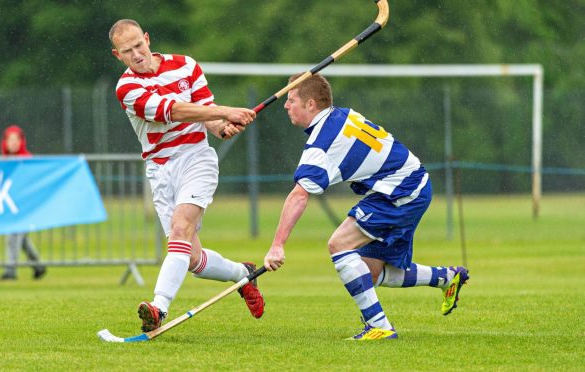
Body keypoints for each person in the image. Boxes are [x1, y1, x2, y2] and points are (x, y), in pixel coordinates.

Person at [263, 74, 469, 340]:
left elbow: (299, 196)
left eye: (291, 99)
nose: (285, 105)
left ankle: (379, 327)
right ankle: (446, 278)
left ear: (311, 104)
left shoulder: (322, 143)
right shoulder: (341, 114)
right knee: (369, 271)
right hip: (411, 184)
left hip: (401, 191)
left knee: (339, 244)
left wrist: (277, 245)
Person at [109, 19, 264, 332]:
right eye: (128, 51)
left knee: (180, 229)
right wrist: (224, 112)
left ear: (148, 39)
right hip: (160, 170)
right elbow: (175, 111)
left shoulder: (186, 66)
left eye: (139, 45)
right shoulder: (127, 88)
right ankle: (242, 273)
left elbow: (207, 115)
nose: (137, 54)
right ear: (118, 56)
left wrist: (222, 126)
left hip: (196, 159)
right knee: (191, 259)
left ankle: (158, 308)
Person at [0, 125, 46, 280]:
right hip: (12, 205)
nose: (12, 143)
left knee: (13, 237)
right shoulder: (4, 161)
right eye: (9, 139)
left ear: (21, 141)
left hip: (24, 205)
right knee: (22, 239)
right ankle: (38, 266)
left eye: (15, 139)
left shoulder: (27, 159)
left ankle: (10, 271)